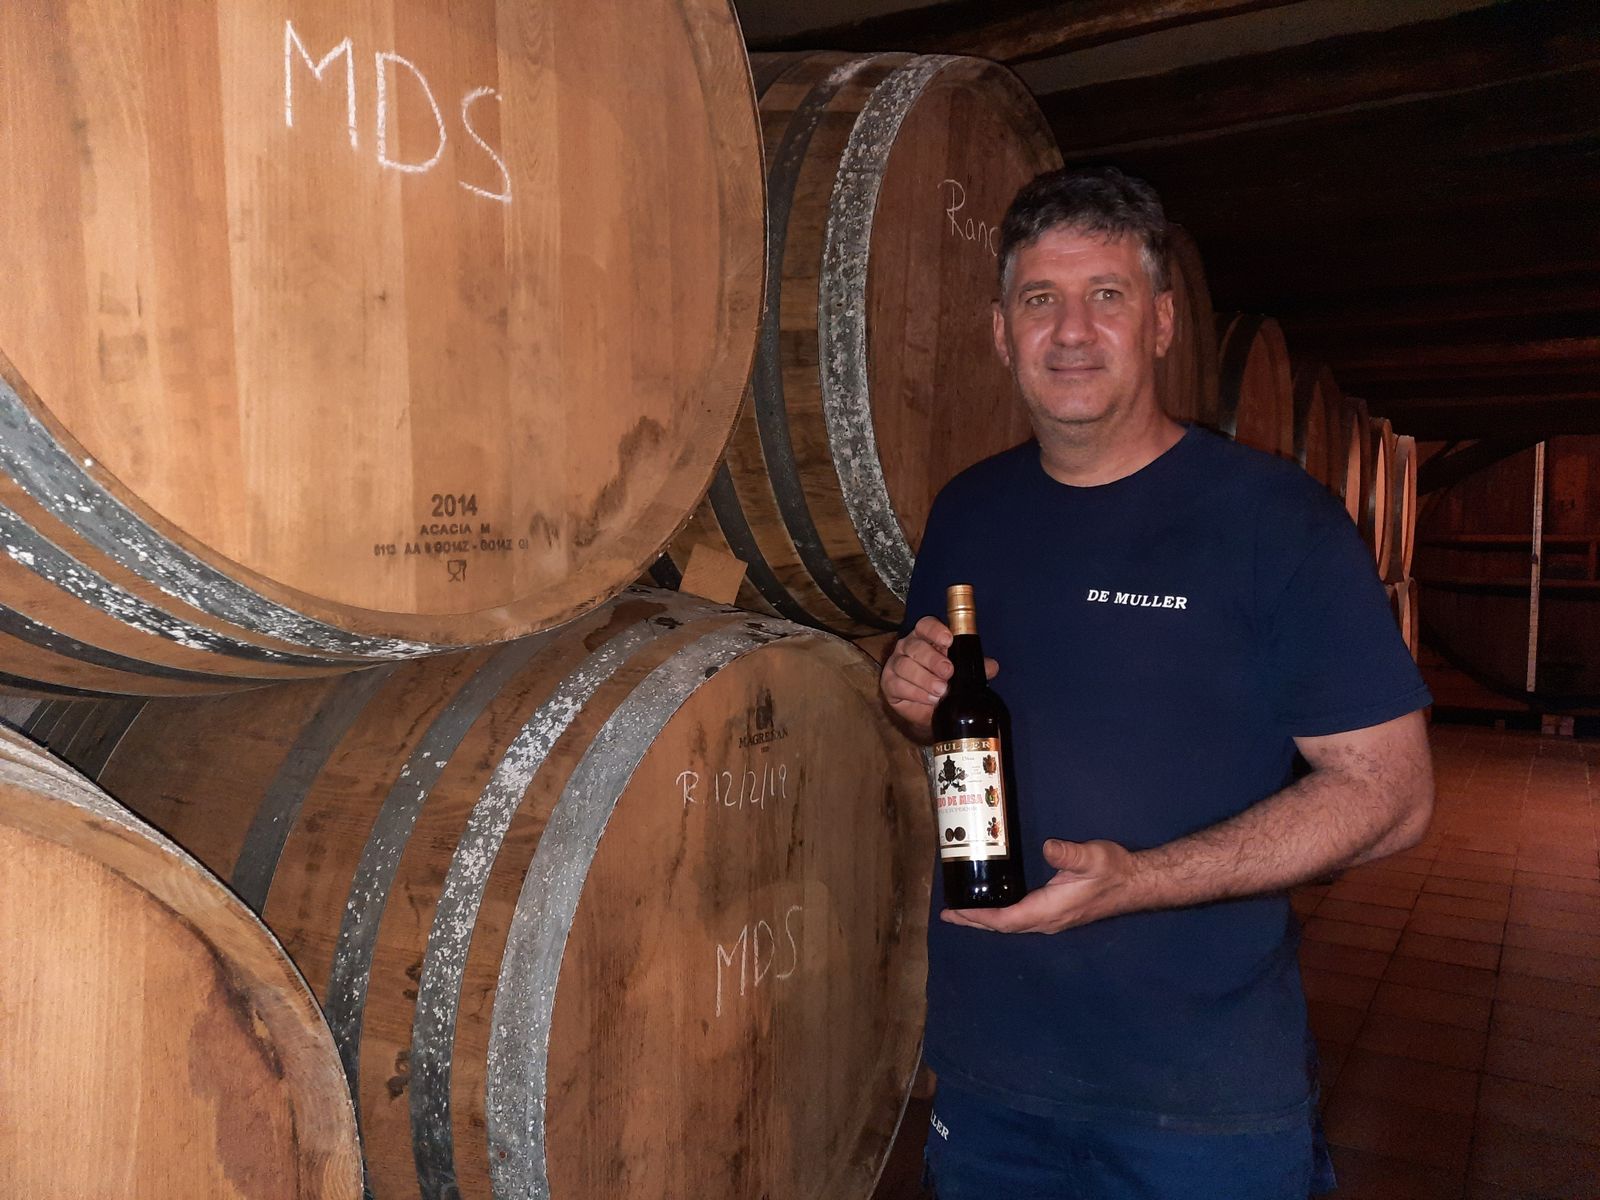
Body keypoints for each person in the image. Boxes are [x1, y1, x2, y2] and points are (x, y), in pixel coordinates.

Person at [879, 166, 1434, 1199]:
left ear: (1164, 322)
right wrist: (909, 700)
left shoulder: (1276, 522)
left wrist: (1138, 881)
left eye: (1107, 296)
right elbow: (955, 723)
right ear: (1001, 332)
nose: (1071, 331)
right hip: (995, 1076)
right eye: (1039, 300)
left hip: (1202, 1096)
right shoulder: (968, 511)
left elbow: (1392, 796)